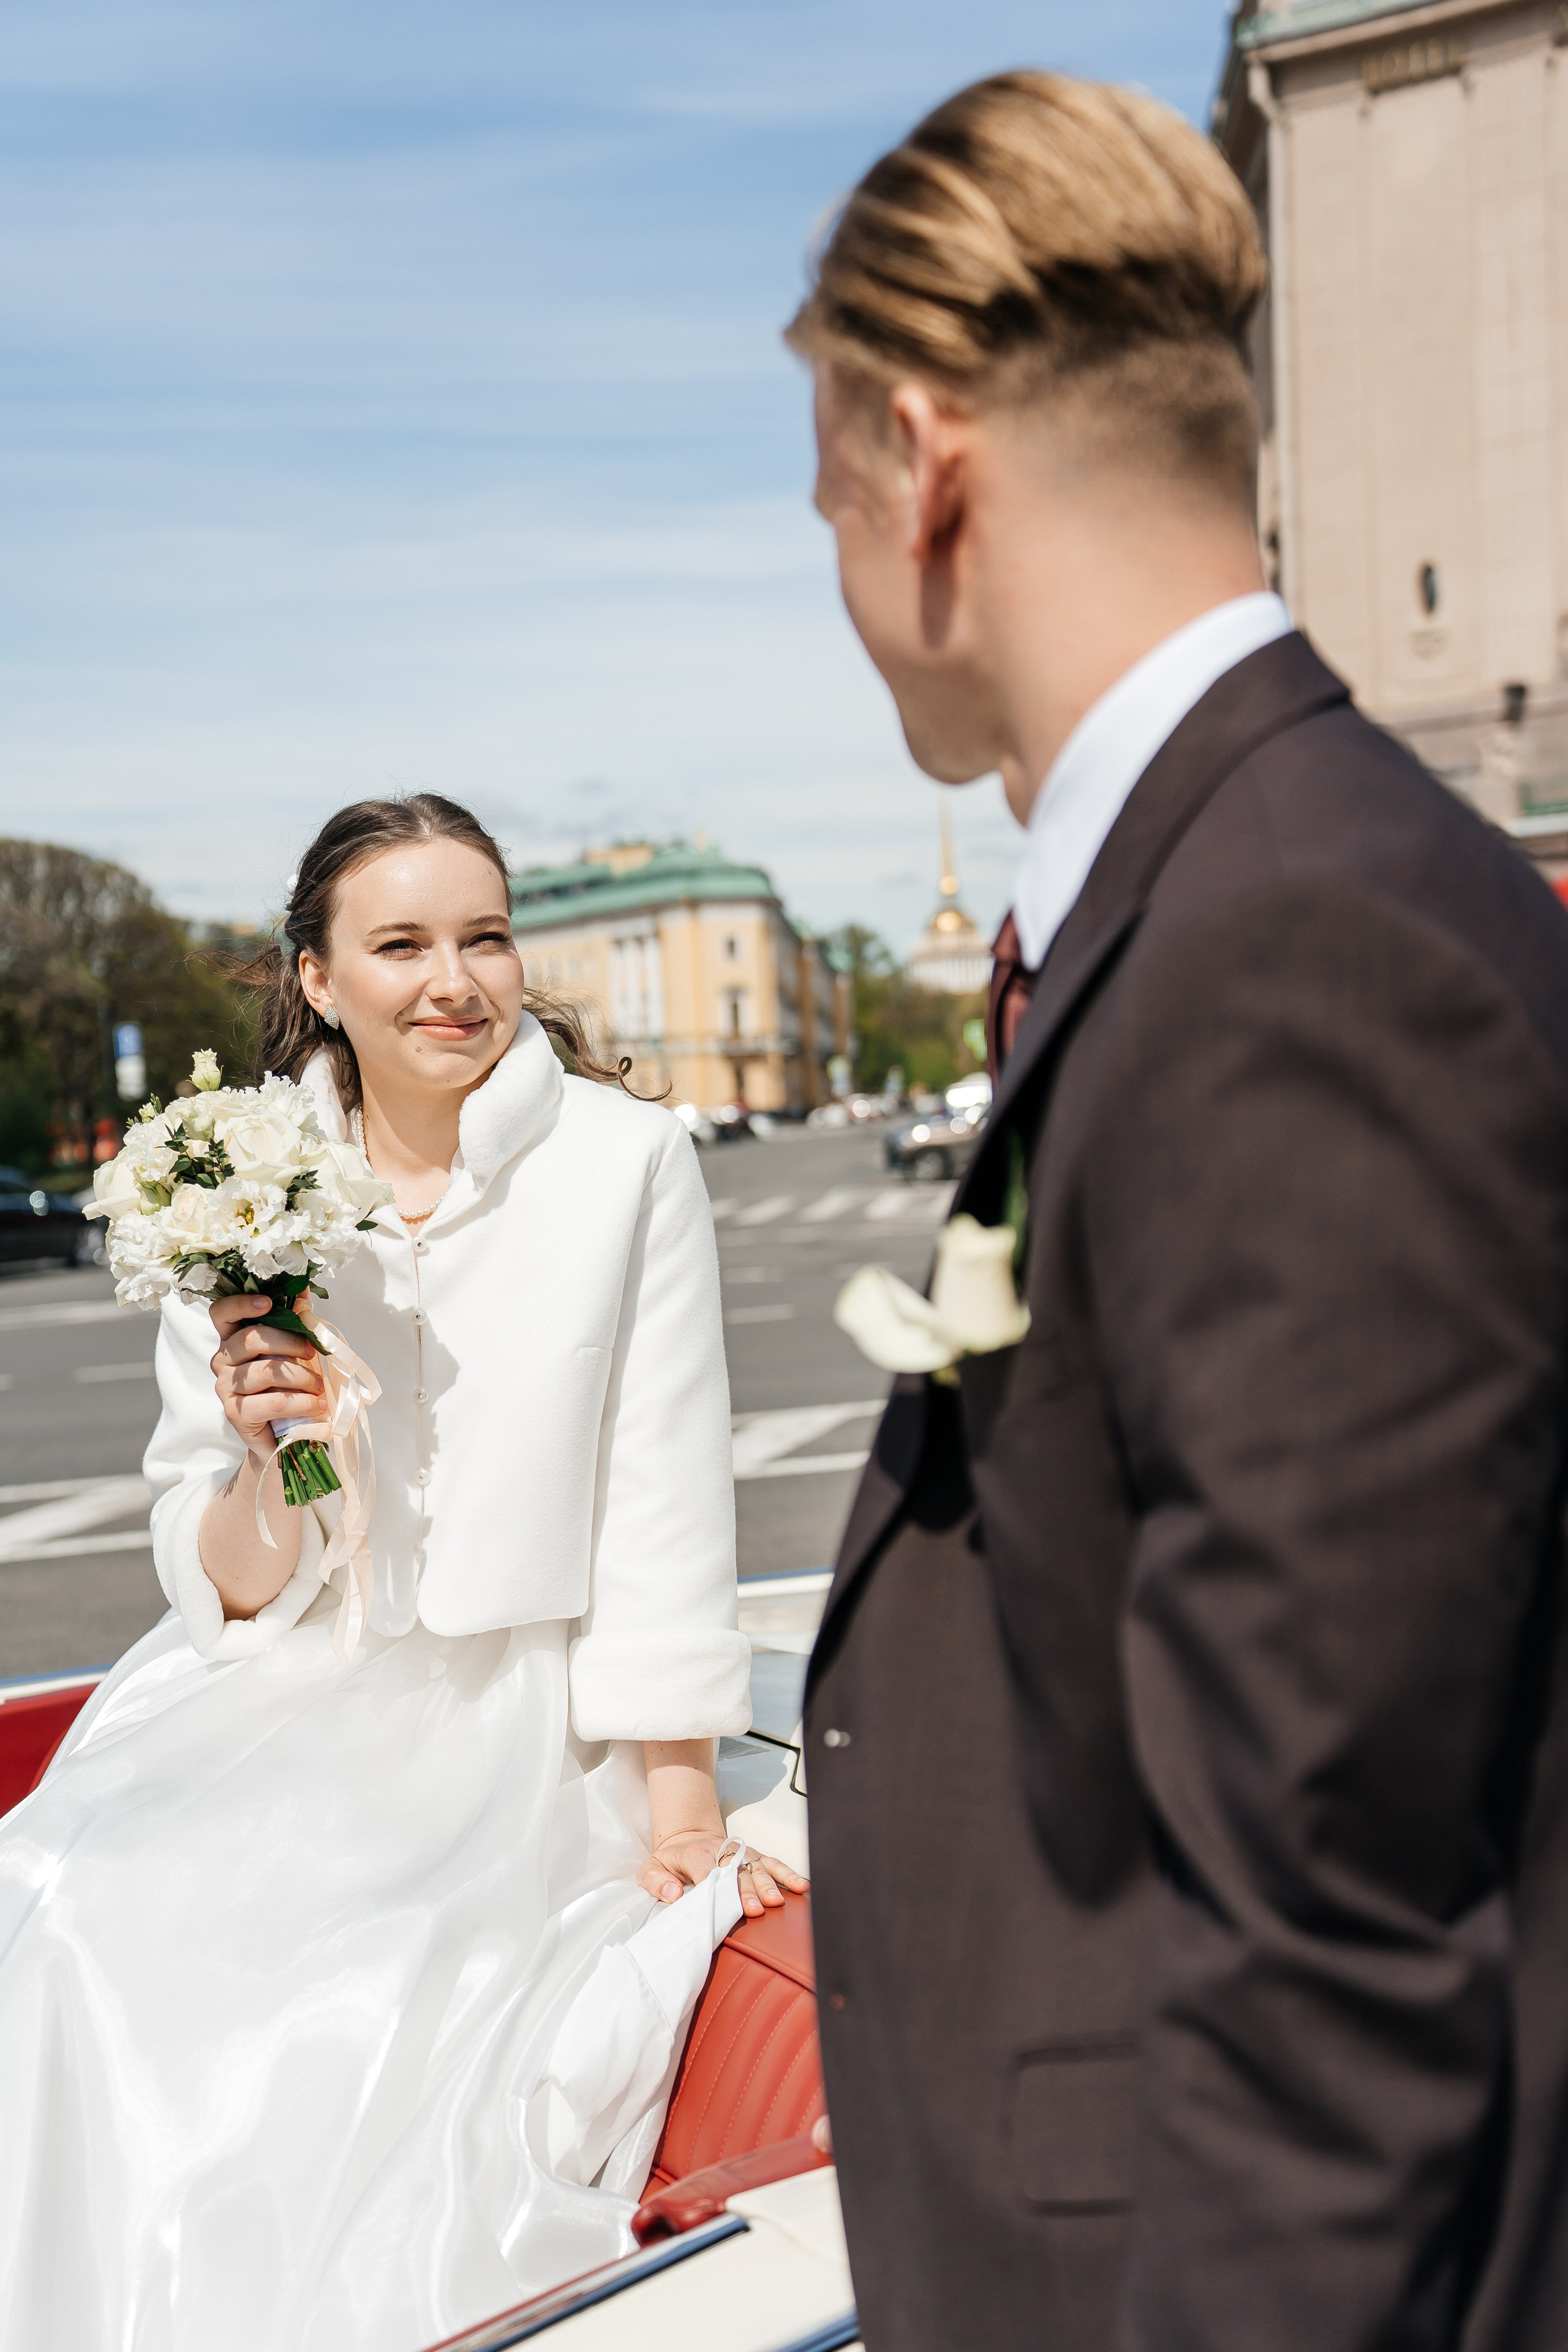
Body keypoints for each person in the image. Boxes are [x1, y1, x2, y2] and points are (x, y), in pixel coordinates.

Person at [792, 70, 1568, 2352]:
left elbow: (1339, 1929)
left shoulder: (1290, 944)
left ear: (921, 464)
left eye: (824, 499)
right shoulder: (1268, 877)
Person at [0, 793, 804, 2350]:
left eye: (484, 937)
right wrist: (268, 1453)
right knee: (69, 1909)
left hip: (520, 1724)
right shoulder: (227, 1182)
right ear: (317, 978)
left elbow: (661, 1494)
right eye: (402, 945)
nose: (455, 981)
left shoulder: (626, 1162)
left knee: (359, 2012)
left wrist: (680, 1806)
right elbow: (230, 1585)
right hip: (284, 1685)